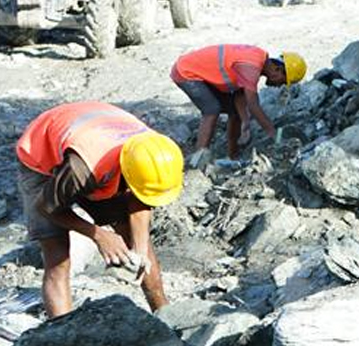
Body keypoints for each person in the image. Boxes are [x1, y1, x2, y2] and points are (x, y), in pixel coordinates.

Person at [15, 101, 183, 317]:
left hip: (96, 137)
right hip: (40, 153)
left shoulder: (155, 153)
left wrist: (140, 247)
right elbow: (47, 208)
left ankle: (164, 315)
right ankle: (61, 332)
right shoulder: (83, 169)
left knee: (138, 241)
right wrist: (100, 235)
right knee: (58, 258)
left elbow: (141, 196)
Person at [169, 45, 305, 164]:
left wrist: (245, 121)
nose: (280, 85)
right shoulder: (251, 67)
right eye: (283, 80)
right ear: (277, 69)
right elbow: (253, 104)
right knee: (212, 109)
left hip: (199, 72)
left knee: (234, 110)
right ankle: (198, 159)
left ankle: (232, 157)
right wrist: (274, 135)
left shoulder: (258, 58)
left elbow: (240, 95)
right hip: (186, 72)